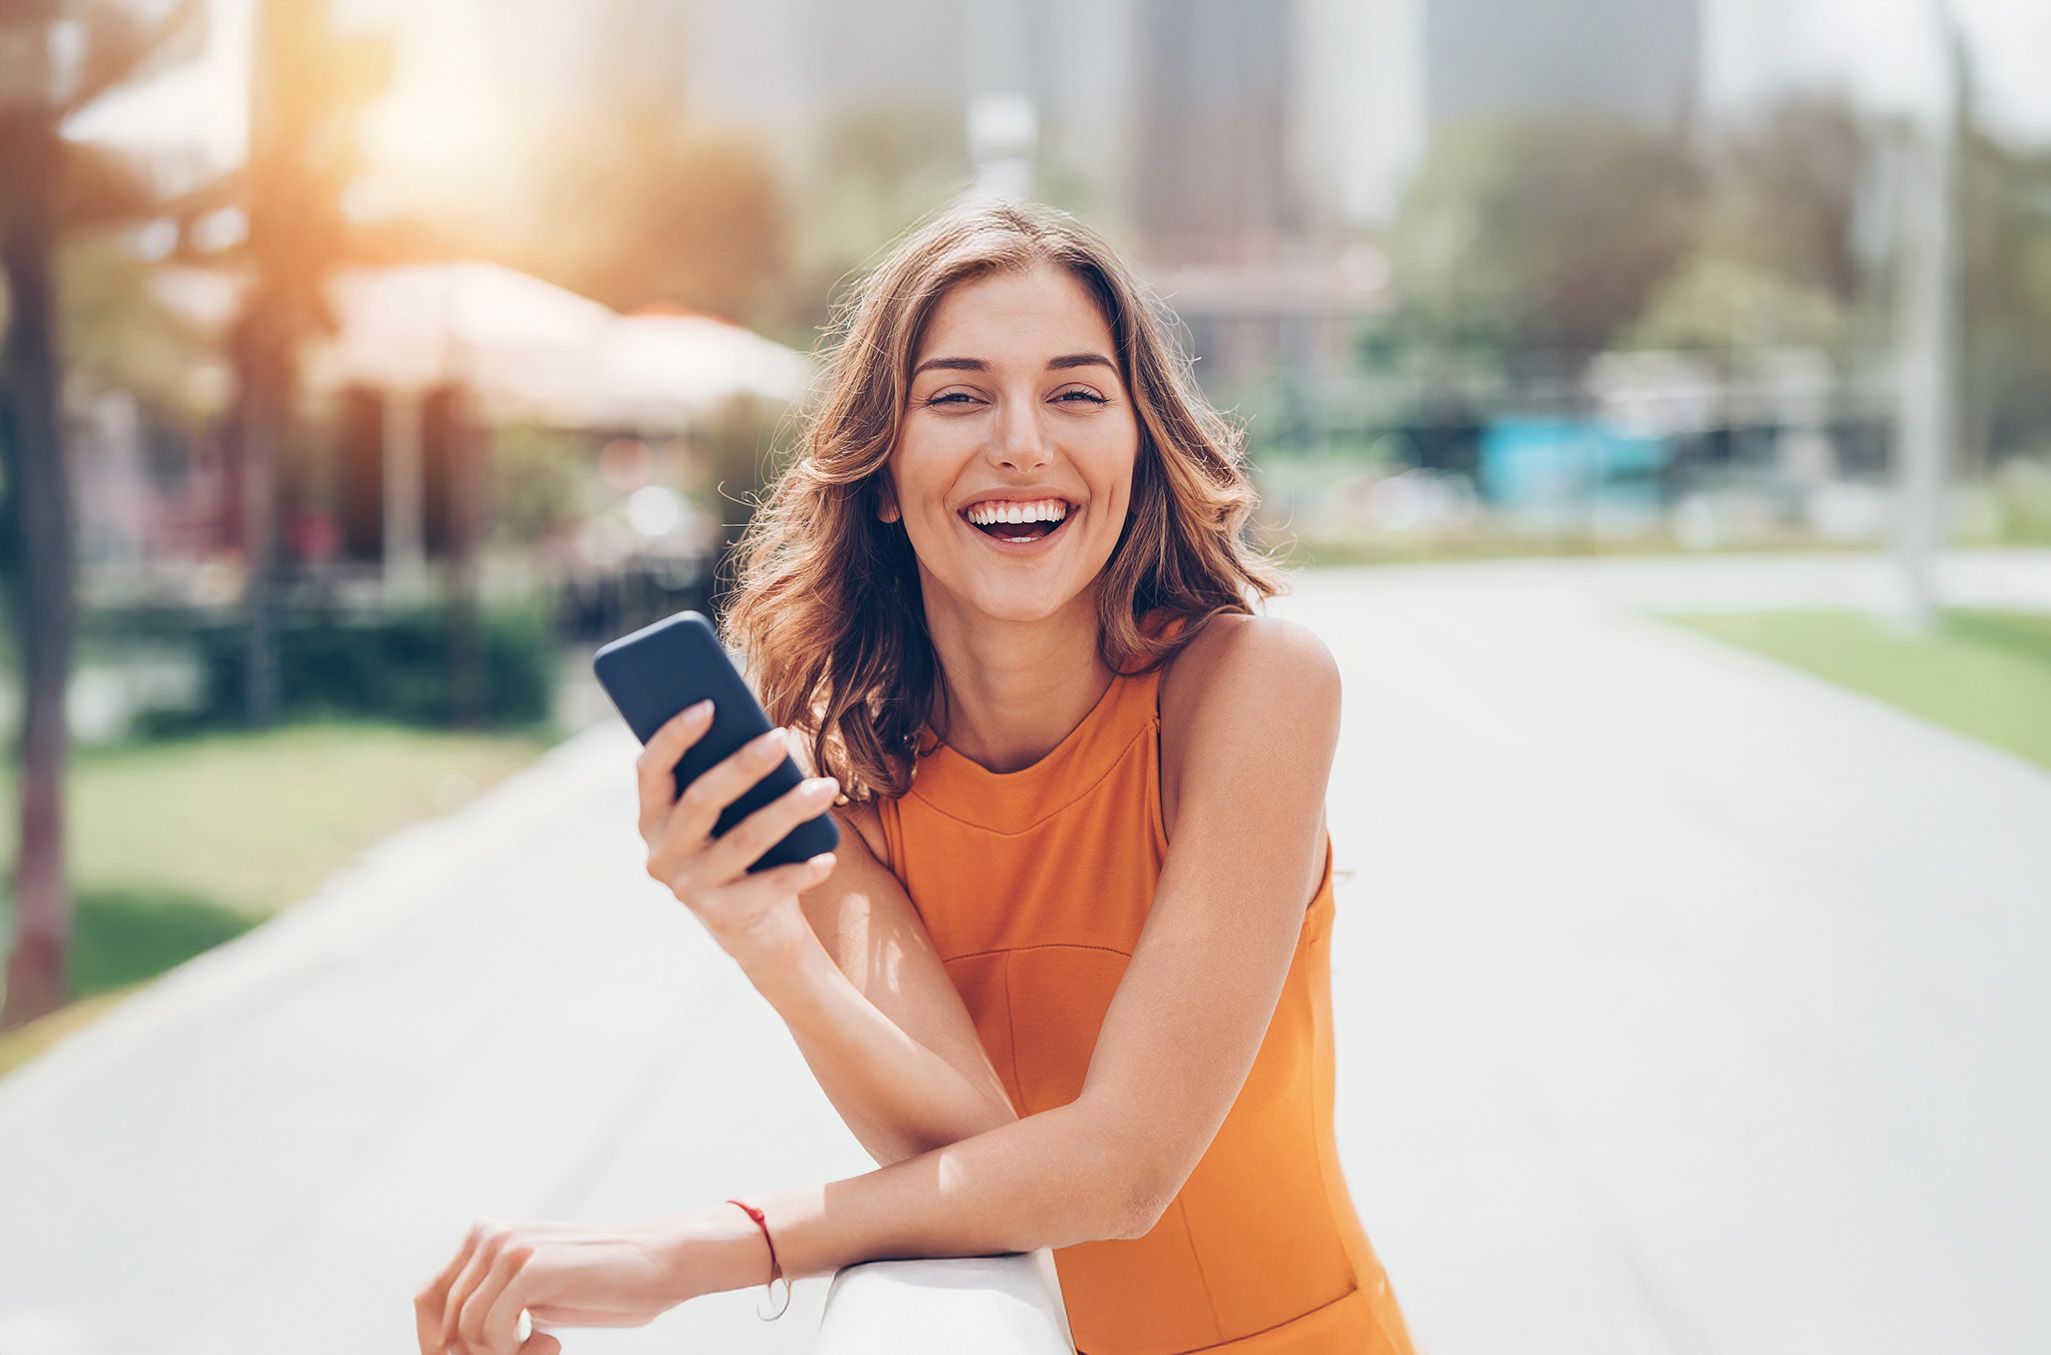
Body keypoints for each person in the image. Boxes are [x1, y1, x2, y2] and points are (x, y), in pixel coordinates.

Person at [415, 200, 1417, 1355]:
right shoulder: (848, 798)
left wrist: (694, 1250)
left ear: (1139, 449)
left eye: (1078, 392)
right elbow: (968, 1144)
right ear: (883, 471)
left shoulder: (1251, 688)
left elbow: (1123, 1167)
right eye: (959, 395)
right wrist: (767, 938)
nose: (1023, 443)